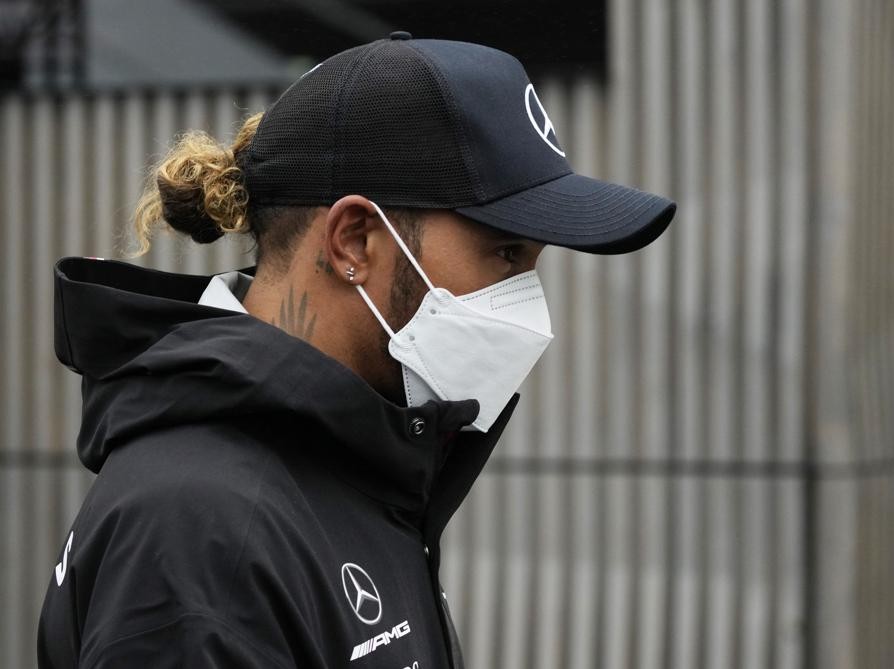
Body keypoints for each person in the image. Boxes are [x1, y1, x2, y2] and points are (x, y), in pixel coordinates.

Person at [37, 32, 675, 669]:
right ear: (354, 242)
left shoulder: (357, 458)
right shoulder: (203, 532)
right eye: (506, 253)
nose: (525, 299)